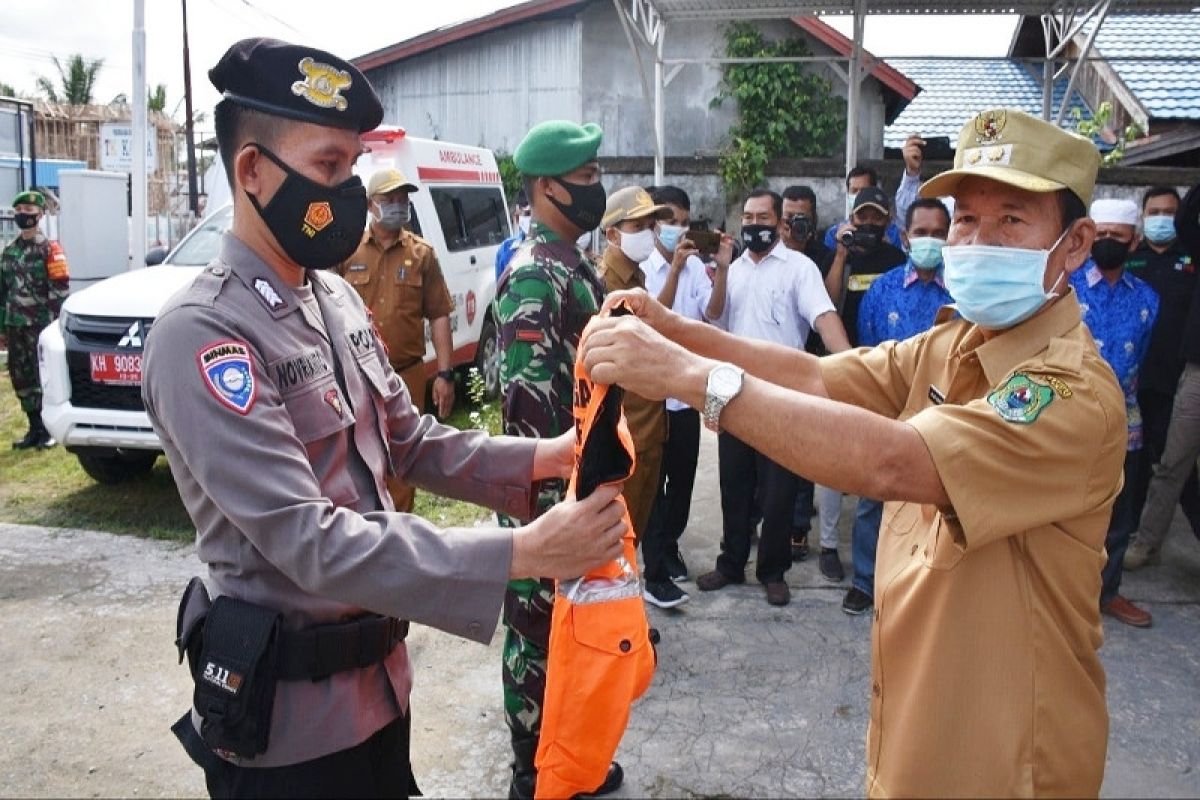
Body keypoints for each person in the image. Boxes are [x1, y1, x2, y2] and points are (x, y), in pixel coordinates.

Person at [582, 108, 1124, 797]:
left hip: (1008, 756)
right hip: (918, 730)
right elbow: (815, 375)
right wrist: (680, 332)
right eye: (965, 220)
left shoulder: (1069, 394)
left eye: (1011, 222)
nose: (977, 242)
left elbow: (895, 462)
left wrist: (690, 379)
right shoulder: (954, 344)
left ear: (1075, 243)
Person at [141, 40, 627, 799]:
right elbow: (307, 539)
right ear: (252, 172)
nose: (353, 192)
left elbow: (408, 440)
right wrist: (521, 553)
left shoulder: (330, 298)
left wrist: (548, 457)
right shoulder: (203, 335)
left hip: (381, 693)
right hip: (288, 731)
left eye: (354, 168)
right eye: (330, 167)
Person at [492, 119, 622, 800]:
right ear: (547, 186)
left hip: (579, 481)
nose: (597, 189)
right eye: (587, 178)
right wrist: (560, 503)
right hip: (549, 492)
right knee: (538, 629)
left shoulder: (571, 263)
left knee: (576, 625)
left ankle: (567, 751)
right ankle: (532, 762)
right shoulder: (537, 275)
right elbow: (526, 405)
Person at [697, 188, 851, 607]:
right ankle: (731, 563)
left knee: (778, 491)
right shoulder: (732, 269)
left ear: (780, 222)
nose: (753, 225)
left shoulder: (799, 269)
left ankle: (772, 571)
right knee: (734, 484)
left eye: (762, 217)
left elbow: (824, 317)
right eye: (747, 217)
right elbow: (713, 319)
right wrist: (724, 271)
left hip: (782, 397)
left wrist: (852, 366)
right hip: (733, 392)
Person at [848, 196, 954, 615]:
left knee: (939, 506)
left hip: (947, 416)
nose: (929, 240)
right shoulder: (883, 288)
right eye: (922, 233)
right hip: (890, 412)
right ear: (906, 237)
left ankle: (925, 584)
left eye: (938, 233)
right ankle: (864, 579)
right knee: (874, 496)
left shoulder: (964, 292)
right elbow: (868, 351)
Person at [338, 167, 456, 513]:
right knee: (356, 455)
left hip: (406, 376)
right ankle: (364, 531)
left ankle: (399, 536)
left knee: (403, 459)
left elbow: (439, 315)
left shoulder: (423, 255)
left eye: (402, 199)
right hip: (356, 375)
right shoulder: (347, 251)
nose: (398, 205)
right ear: (371, 205)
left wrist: (446, 375)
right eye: (389, 199)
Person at [1070, 197, 1158, 628]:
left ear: (1134, 241)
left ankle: (1108, 593)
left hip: (1124, 422)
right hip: (1066, 420)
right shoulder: (1064, 288)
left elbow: (1140, 359)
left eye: (1116, 237)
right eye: (1100, 235)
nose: (1106, 243)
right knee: (1063, 512)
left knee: (1116, 516)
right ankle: (1060, 595)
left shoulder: (1147, 299)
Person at [823, 186, 908, 614]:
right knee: (860, 479)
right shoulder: (846, 255)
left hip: (907, 378)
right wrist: (840, 254)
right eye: (864, 219)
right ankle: (859, 573)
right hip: (859, 370)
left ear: (888, 221)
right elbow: (829, 304)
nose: (870, 226)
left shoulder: (899, 264)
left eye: (878, 219)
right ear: (853, 221)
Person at [639, 184, 722, 607]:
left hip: (686, 395)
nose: (678, 228)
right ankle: (654, 562)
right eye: (670, 219)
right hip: (654, 398)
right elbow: (653, 322)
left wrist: (720, 270)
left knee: (683, 483)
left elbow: (713, 313)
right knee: (653, 484)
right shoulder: (645, 269)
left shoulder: (697, 270)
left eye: (684, 221)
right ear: (653, 223)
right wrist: (673, 271)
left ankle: (668, 546)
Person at [1126, 181, 1200, 569]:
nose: (1162, 221)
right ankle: (1141, 536)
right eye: (1154, 213)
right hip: (1150, 379)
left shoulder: (1188, 258)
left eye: (1167, 213)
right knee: (1161, 463)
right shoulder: (1133, 259)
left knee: (1177, 467)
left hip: (1177, 376)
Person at [596, 187, 669, 542]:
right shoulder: (602, 285)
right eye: (637, 225)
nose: (648, 233)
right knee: (616, 544)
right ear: (612, 234)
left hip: (648, 429)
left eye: (651, 224)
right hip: (625, 437)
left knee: (632, 540)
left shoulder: (637, 278)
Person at [780, 184, 842, 580]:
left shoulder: (821, 254)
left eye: (801, 217)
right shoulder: (769, 253)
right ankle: (771, 521)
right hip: (783, 362)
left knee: (810, 450)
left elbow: (829, 304)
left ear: (815, 217)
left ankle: (802, 527)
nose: (794, 224)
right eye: (788, 217)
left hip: (821, 360)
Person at [1, 189, 68, 449]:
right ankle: (34, 428)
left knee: (44, 378)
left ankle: (48, 429)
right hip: (15, 325)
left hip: (40, 326)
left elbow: (59, 289)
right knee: (21, 377)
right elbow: (2, 292)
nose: (22, 216)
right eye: (18, 212)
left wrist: (54, 326)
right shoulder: (8, 252)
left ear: (39, 215)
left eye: (28, 212)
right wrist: (2, 328)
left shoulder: (50, 249)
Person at [821, 166, 905, 252]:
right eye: (854, 191)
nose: (858, 195)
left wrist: (887, 248)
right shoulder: (834, 233)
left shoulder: (896, 234)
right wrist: (841, 247)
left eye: (863, 190)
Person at [495, 190, 531, 279]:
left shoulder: (550, 246)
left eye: (534, 214)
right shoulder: (506, 248)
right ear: (518, 217)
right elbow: (500, 287)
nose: (531, 219)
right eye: (527, 214)